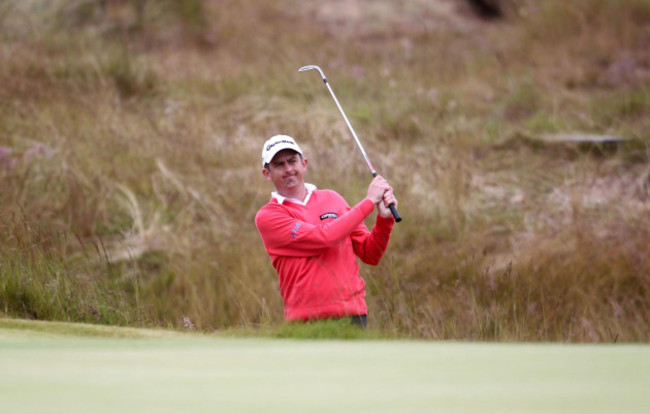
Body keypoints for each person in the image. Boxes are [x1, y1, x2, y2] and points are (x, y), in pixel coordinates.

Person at [255, 134, 397, 327]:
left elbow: (370, 254)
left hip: (352, 315)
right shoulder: (269, 216)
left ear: (304, 164)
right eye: (279, 164)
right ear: (267, 174)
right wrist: (369, 202)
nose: (288, 169)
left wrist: (384, 219)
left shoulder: (333, 199)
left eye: (292, 161)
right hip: (305, 320)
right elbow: (323, 238)